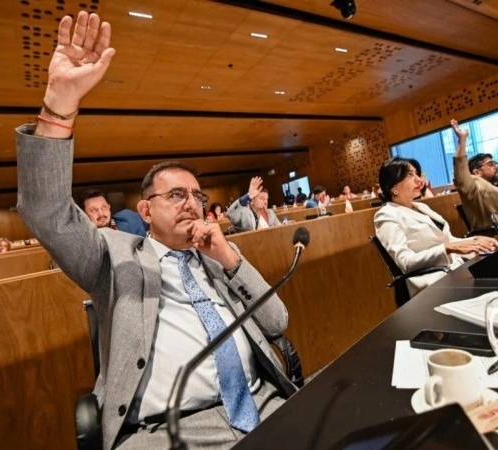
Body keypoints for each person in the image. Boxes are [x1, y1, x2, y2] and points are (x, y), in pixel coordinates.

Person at [15, 12, 295, 449]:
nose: (192, 204)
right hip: (165, 432)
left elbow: (277, 323)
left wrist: (228, 257)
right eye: (177, 195)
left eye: (198, 196)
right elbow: (46, 211)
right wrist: (58, 105)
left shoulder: (218, 257)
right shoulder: (114, 256)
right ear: (145, 210)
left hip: (263, 404)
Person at [374, 157, 498, 296]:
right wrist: (445, 248)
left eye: (417, 174)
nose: (419, 180)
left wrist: (475, 241)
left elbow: (448, 240)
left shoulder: (421, 207)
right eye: (410, 175)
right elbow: (405, 262)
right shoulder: (386, 215)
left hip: (456, 269)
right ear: (393, 187)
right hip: (432, 282)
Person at [79, 188, 149, 237]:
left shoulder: (128, 218)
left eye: (104, 207)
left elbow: (153, 221)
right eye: (94, 210)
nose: (101, 213)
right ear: (84, 214)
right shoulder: (83, 239)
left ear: (109, 207)